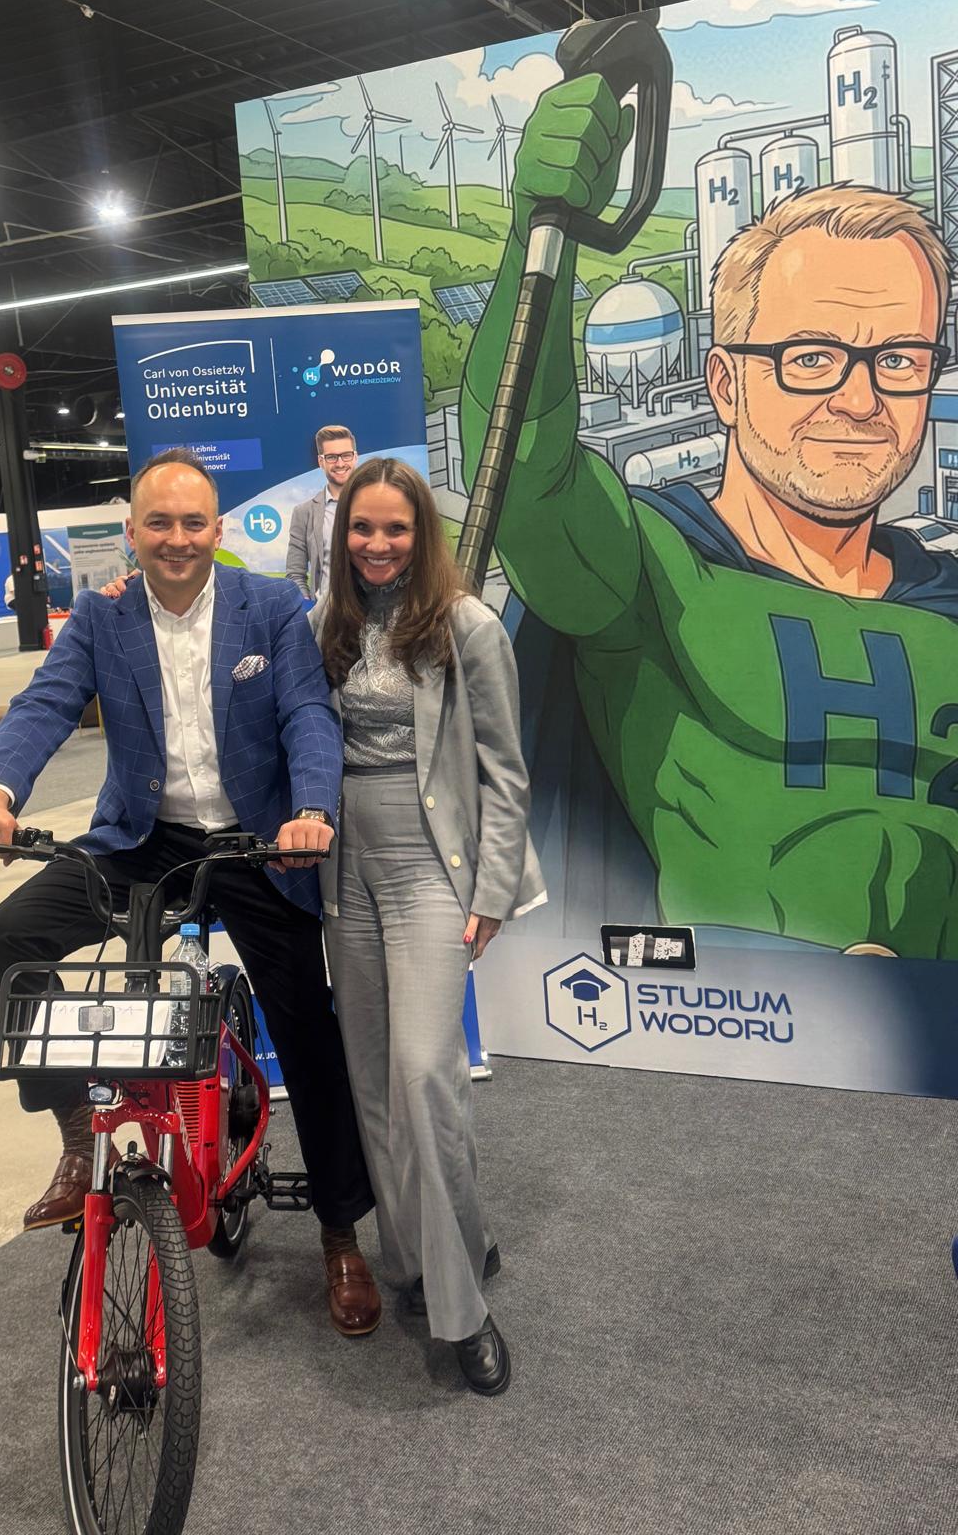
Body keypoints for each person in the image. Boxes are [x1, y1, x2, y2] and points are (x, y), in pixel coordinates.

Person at [462, 73, 958, 959]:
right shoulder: (650, 568)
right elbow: (526, 472)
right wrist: (542, 234)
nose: (860, 400)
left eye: (899, 360)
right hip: (727, 1029)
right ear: (725, 384)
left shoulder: (947, 602)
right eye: (812, 358)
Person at [0, 447, 381, 1338]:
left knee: (307, 1026)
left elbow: (307, 713)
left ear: (217, 530)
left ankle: (341, 1231)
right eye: (160, 522)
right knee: (6, 939)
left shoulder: (270, 607)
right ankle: (79, 1132)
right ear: (133, 532)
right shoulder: (101, 615)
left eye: (194, 523)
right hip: (142, 840)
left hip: (258, 842)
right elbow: (46, 703)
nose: (177, 538)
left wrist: (310, 810)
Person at [313, 456, 544, 1395]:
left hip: (431, 867)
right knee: (374, 1083)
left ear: (423, 534)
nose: (377, 545)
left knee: (424, 1073)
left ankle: (464, 1310)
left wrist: (492, 890)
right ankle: (421, 1256)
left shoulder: (466, 625)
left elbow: (506, 771)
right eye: (362, 528)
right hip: (343, 873)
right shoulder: (324, 623)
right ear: (342, 535)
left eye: (395, 528)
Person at [285, 424, 358, 603]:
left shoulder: (377, 504)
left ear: (355, 457)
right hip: (326, 616)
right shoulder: (304, 513)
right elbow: (295, 573)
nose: (340, 463)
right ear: (320, 462)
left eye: (346, 455)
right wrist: (308, 606)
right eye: (332, 457)